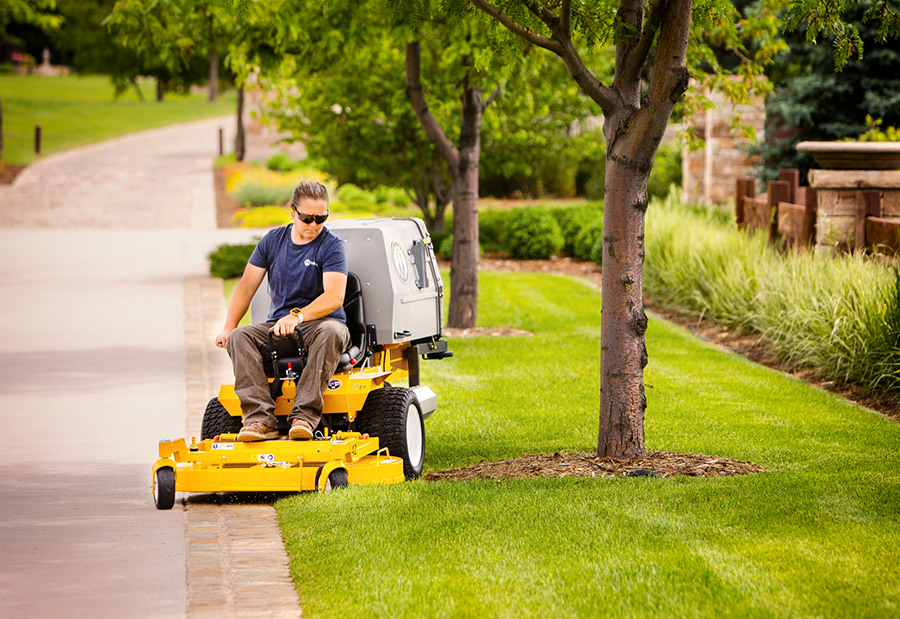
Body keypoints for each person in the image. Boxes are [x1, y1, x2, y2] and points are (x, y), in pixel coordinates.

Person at [215, 181, 350, 442]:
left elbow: (335, 297)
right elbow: (245, 287)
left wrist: (297, 316)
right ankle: (259, 420)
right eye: (307, 218)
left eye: (321, 218)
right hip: (280, 327)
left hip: (320, 325)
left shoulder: (332, 246)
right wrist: (229, 327)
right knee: (240, 337)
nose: (314, 225)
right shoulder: (273, 242)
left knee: (332, 330)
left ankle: (304, 417)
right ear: (292, 211)